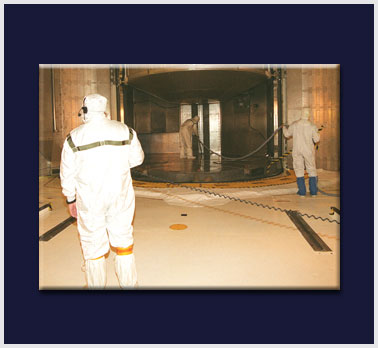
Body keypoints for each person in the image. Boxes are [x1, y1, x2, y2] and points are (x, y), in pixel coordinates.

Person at [60, 94, 144, 289]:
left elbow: (67, 173)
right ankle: (129, 285)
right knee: (123, 239)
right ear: (105, 110)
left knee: (93, 242)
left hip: (90, 200)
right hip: (120, 196)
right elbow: (137, 159)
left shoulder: (74, 137)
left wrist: (70, 199)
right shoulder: (125, 130)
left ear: (85, 110)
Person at [283, 109, 320, 197]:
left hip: (297, 150)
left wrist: (283, 128)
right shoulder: (312, 126)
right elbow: (317, 139)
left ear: (301, 115)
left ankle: (302, 192)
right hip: (308, 150)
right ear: (308, 116)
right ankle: (313, 192)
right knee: (311, 169)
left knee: (299, 169)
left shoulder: (294, 124)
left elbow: (287, 135)